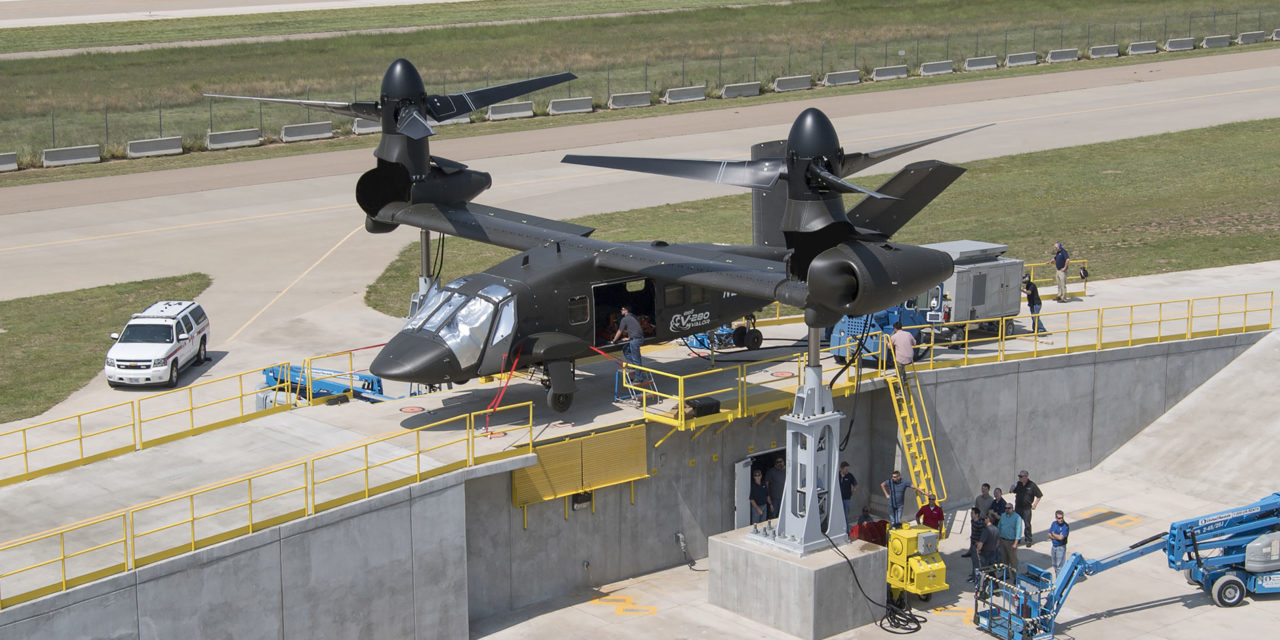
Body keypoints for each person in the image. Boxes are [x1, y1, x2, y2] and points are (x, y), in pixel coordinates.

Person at [611, 305, 648, 382]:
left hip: (636, 340)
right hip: (636, 337)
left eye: (622, 309)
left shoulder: (625, 319)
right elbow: (634, 328)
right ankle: (632, 365)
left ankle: (639, 378)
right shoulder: (633, 316)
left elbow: (619, 331)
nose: (621, 311)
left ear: (626, 311)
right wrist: (629, 338)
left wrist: (614, 340)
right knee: (625, 348)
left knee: (636, 359)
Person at [1010, 470, 1043, 545]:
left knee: (1027, 524)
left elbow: (1039, 495)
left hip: (1027, 508)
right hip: (1018, 507)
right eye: (1019, 476)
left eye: (1021, 477)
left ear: (1025, 477)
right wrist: (1012, 487)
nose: (1019, 478)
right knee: (1017, 524)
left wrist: (1035, 504)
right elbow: (1012, 491)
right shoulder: (1018, 484)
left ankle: (1028, 539)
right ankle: (1017, 538)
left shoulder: (1032, 485)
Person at [997, 502, 1023, 571]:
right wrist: (998, 540)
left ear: (1012, 508)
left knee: (1013, 560)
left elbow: (1018, 531)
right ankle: (1006, 574)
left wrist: (1015, 543)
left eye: (1009, 508)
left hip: (1011, 542)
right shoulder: (1003, 516)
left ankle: (1016, 576)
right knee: (1004, 559)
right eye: (1006, 508)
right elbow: (999, 527)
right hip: (1003, 540)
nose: (1007, 510)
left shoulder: (1017, 517)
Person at [977, 512, 1001, 583]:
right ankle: (995, 588)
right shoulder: (996, 529)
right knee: (991, 571)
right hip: (993, 552)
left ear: (988, 519)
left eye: (985, 518)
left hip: (985, 553)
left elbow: (981, 543)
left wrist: (978, 551)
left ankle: (983, 588)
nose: (984, 520)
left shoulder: (986, 530)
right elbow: (998, 542)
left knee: (983, 572)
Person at [966, 507, 987, 583]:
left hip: (977, 545)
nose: (971, 515)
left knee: (976, 562)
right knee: (973, 561)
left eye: (972, 513)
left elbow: (983, 534)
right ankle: (973, 574)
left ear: (977, 514)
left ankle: (975, 578)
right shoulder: (973, 521)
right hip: (972, 543)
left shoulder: (980, 523)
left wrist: (980, 544)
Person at [1048, 510, 1070, 575]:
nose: (1061, 519)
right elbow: (1049, 534)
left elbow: (1061, 538)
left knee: (1060, 566)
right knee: (1054, 565)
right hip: (1054, 546)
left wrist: (1053, 534)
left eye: (1062, 518)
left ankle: (1060, 582)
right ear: (1056, 518)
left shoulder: (1065, 526)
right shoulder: (1054, 524)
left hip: (1061, 547)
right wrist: (1056, 536)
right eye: (1059, 518)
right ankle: (1058, 579)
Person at [838, 461, 858, 526]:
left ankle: (846, 530)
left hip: (846, 499)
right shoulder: (837, 475)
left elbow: (856, 485)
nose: (847, 471)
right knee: (838, 515)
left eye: (848, 469)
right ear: (841, 468)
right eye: (846, 469)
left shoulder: (850, 476)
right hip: (838, 499)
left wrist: (852, 493)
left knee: (845, 515)